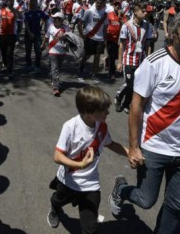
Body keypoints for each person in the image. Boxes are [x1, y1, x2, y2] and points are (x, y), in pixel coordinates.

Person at [111, 9, 180, 234]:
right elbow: (136, 107)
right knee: (145, 200)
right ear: (172, 34)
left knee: (177, 205)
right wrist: (133, 148)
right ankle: (121, 190)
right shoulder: (153, 64)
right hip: (154, 147)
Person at [47, 86, 128, 233]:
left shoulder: (102, 127)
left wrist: (130, 153)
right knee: (58, 199)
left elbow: (111, 144)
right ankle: (54, 208)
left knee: (90, 229)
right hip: (69, 181)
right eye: (103, 110)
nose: (108, 112)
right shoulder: (70, 127)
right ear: (89, 111)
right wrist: (80, 164)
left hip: (90, 184)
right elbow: (57, 156)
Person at [114, 3, 152, 113]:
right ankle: (118, 96)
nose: (145, 13)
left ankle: (126, 104)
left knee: (136, 85)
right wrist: (120, 62)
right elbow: (121, 44)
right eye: (143, 11)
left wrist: (148, 60)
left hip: (141, 60)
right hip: (128, 59)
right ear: (135, 12)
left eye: (146, 11)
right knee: (130, 84)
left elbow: (148, 45)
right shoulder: (126, 25)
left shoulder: (147, 26)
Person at [77, 0, 108, 83]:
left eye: (101, 3)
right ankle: (80, 69)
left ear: (103, 3)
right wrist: (82, 35)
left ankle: (94, 74)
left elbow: (105, 27)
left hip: (100, 38)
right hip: (90, 37)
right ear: (95, 1)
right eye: (98, 2)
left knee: (97, 56)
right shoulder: (89, 11)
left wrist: (105, 39)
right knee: (87, 55)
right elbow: (80, 23)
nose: (99, 4)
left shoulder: (104, 14)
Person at [41, 12, 70, 96]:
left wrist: (64, 36)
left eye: (56, 19)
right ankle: (56, 88)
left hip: (62, 51)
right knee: (55, 69)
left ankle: (54, 79)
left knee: (57, 68)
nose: (54, 20)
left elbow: (70, 38)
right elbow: (46, 37)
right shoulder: (50, 27)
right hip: (53, 51)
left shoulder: (66, 28)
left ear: (61, 20)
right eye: (53, 18)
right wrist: (43, 45)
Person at [0, 0, 17, 78]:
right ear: (7, 2)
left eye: (12, 1)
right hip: (2, 35)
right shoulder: (1, 11)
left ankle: (10, 71)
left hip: (11, 35)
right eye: (10, 1)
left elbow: (21, 18)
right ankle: (5, 65)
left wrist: (15, 11)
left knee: (10, 53)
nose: (11, 2)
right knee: (3, 52)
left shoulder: (14, 12)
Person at [24, 0, 49, 73]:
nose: (33, 3)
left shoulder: (40, 12)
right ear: (30, 3)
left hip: (37, 34)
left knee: (38, 51)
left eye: (35, 2)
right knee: (28, 51)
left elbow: (47, 18)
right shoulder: (27, 13)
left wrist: (43, 25)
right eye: (32, 2)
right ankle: (29, 65)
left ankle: (37, 65)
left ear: (37, 3)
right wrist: (30, 33)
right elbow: (26, 24)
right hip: (28, 34)